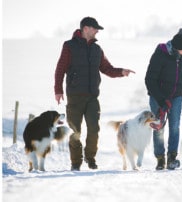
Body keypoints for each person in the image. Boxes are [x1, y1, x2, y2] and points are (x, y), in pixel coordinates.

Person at [54, 17, 135, 171]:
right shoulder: (69, 46)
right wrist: (58, 90)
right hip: (75, 96)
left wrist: (121, 72)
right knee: (75, 131)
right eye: (95, 28)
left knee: (94, 130)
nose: (97, 31)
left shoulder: (97, 49)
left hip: (92, 97)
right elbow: (60, 68)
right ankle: (76, 162)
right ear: (85, 28)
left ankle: (90, 158)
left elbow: (107, 68)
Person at [145, 27, 182, 170]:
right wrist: (161, 100)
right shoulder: (160, 55)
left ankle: (172, 157)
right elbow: (149, 80)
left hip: (176, 97)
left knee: (175, 126)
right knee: (159, 128)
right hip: (158, 97)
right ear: (177, 48)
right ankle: (160, 159)